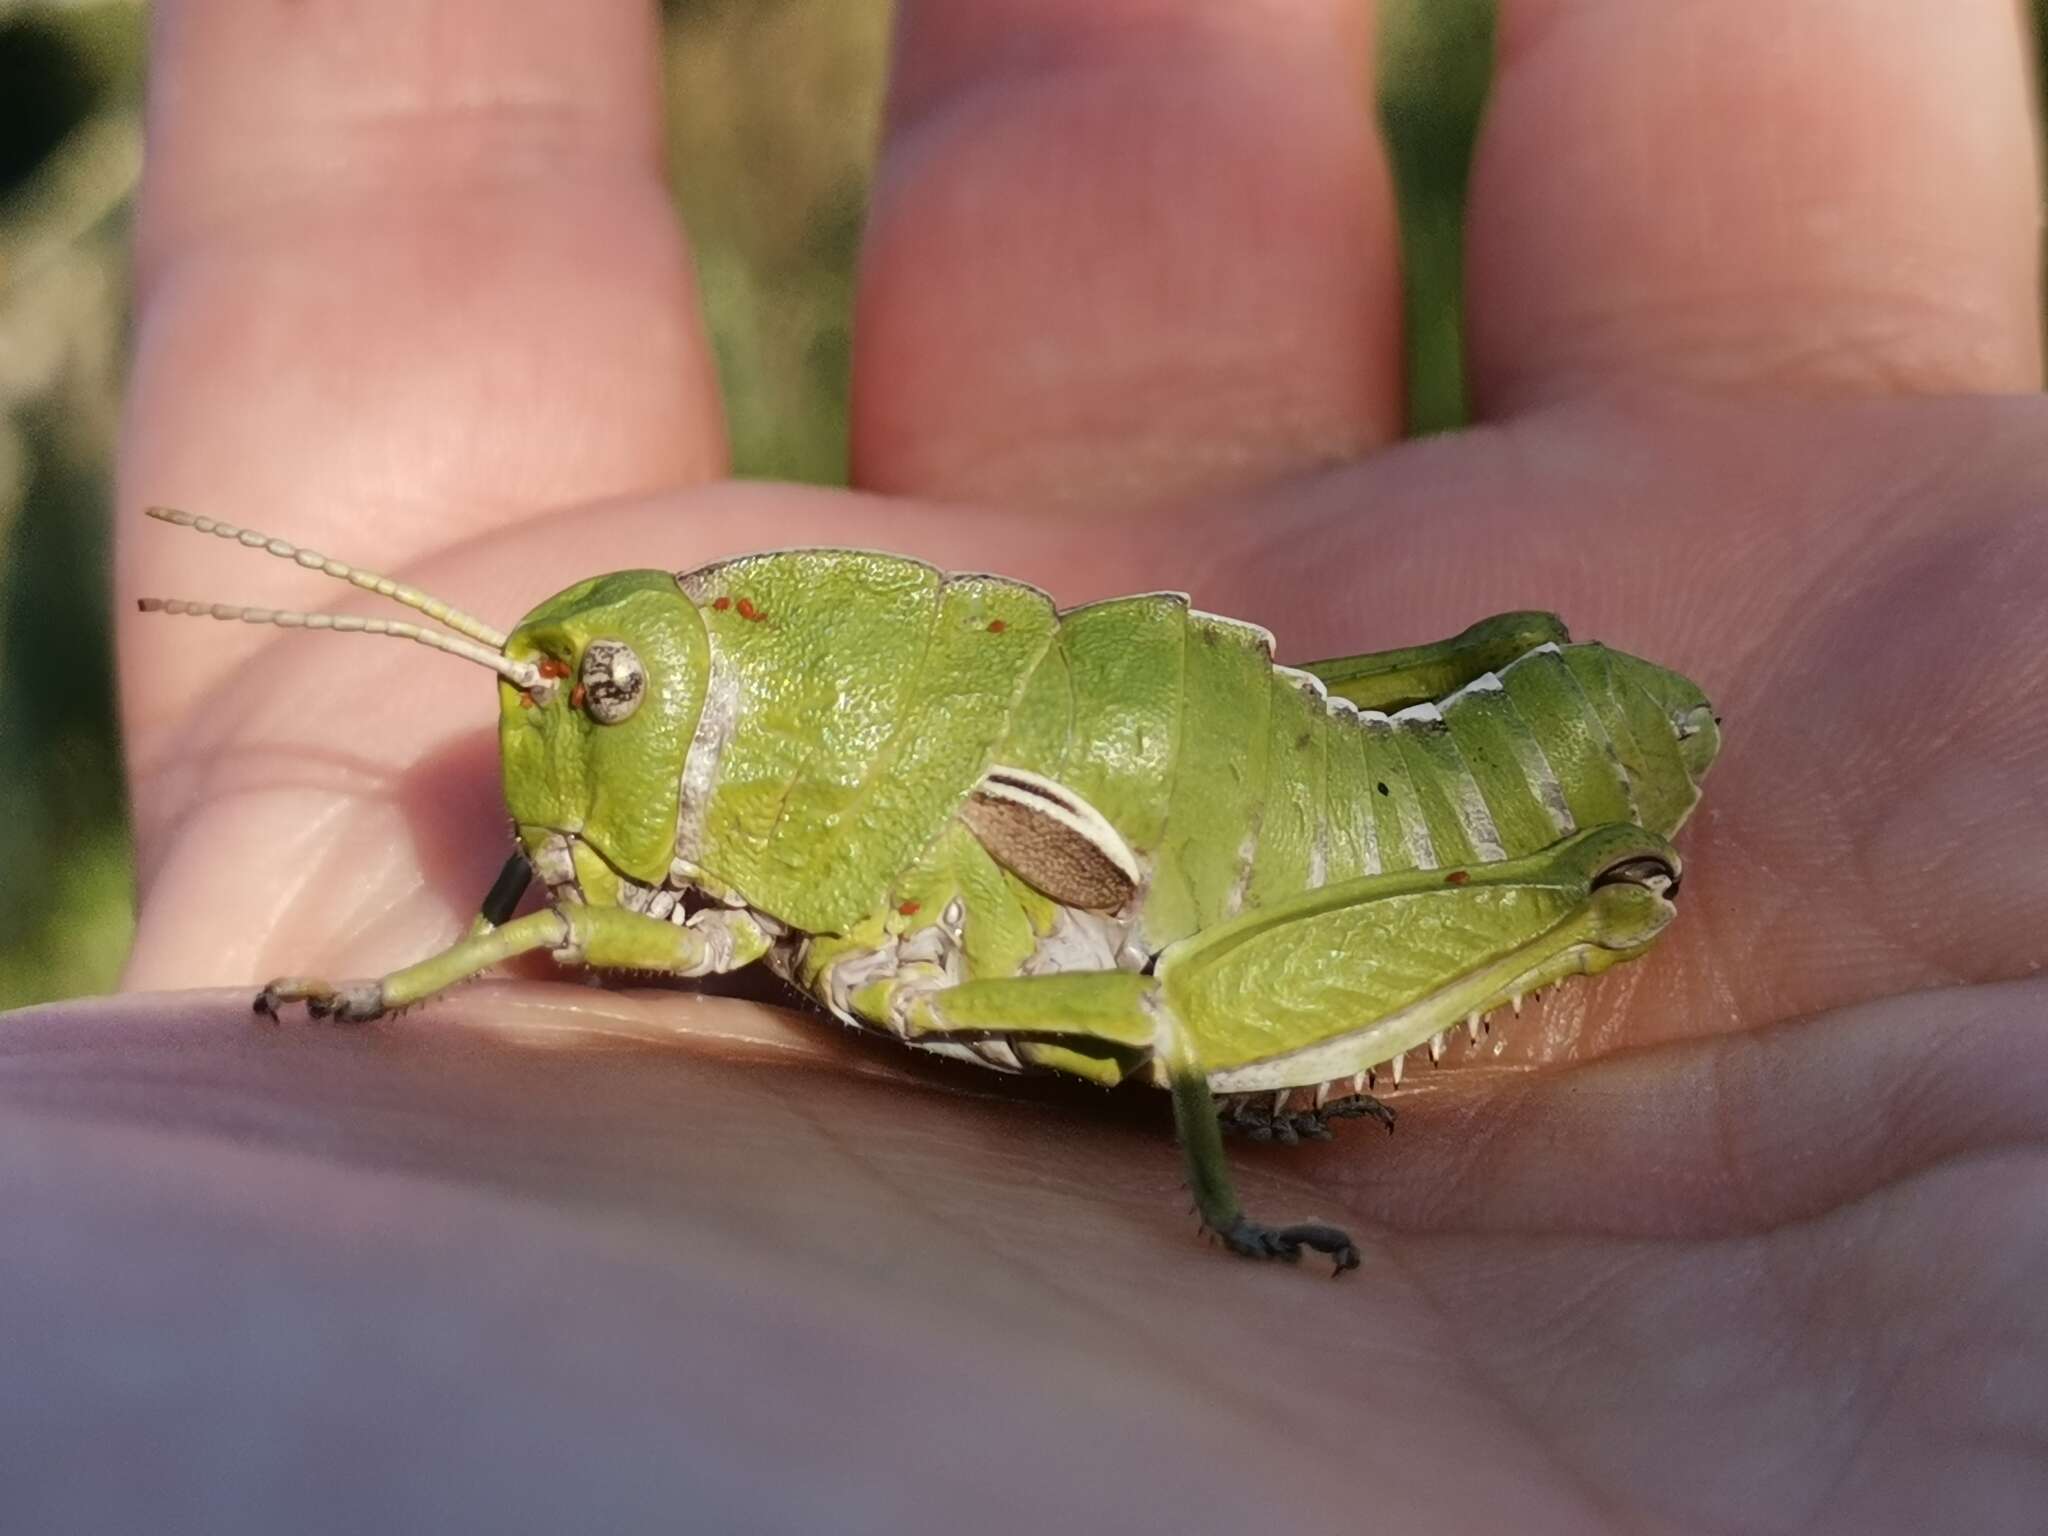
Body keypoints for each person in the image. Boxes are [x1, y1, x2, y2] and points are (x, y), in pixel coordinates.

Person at [14, 0, 2044, 1527]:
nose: (562, 744)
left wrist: (1233, 1220)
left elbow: (1069, 995)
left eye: (605, 706)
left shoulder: (886, 831)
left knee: (1176, 1011)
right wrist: (390, 998)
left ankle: (1475, 947)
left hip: (1361, 854)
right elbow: (635, 935)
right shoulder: (813, 792)